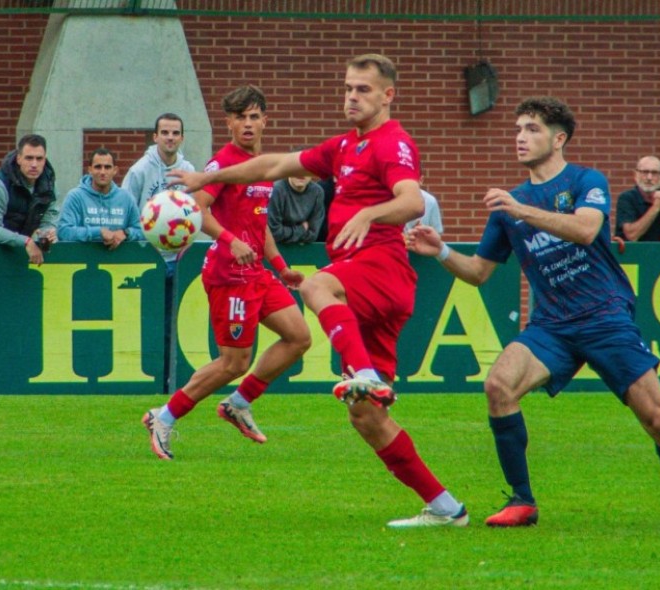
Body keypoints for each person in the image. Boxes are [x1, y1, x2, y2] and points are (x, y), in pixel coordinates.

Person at [169, 55, 468, 528]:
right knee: (367, 417)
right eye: (348, 87)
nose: (352, 96)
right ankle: (446, 507)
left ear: (388, 95)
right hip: (367, 282)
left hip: (381, 265)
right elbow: (275, 164)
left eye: (364, 90)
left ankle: (364, 372)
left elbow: (412, 200)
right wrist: (210, 178)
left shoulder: (393, 142)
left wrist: (369, 215)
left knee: (316, 285)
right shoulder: (344, 146)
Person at [406, 96, 660, 528]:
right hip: (552, 325)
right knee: (498, 386)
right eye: (517, 129)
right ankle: (522, 502)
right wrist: (439, 250)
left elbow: (588, 229)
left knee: (656, 419)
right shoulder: (508, 207)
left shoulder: (585, 180)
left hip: (606, 317)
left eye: (531, 129)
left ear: (559, 138)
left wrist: (522, 211)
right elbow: (478, 272)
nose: (520, 137)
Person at [142, 85, 311, 461]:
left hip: (257, 274)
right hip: (228, 276)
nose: (247, 125)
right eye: (240, 118)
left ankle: (238, 403)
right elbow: (197, 210)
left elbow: (261, 223)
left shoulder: (263, 166)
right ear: (229, 123)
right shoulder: (223, 164)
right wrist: (230, 240)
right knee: (233, 362)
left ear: (265, 120)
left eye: (254, 117)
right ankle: (164, 416)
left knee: (299, 337)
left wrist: (281, 267)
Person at [123, 113, 197, 393]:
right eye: (164, 132)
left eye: (175, 133)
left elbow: (195, 211)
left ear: (182, 137)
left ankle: (170, 381)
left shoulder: (188, 169)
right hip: (149, 261)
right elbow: (128, 212)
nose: (170, 138)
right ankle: (147, 379)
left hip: (178, 261)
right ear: (155, 137)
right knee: (149, 324)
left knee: (173, 326)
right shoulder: (140, 170)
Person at [0, 134, 59, 265]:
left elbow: (48, 220)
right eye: (29, 158)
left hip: (24, 258)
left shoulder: (49, 186)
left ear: (45, 160)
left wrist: (47, 233)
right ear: (19, 158)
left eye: (39, 159)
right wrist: (26, 241)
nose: (34, 164)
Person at [57, 147, 144, 247]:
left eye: (107, 167)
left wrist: (126, 233)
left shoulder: (127, 198)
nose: (102, 172)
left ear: (115, 170)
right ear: (90, 170)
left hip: (119, 261)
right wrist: (98, 232)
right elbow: (63, 232)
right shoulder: (75, 197)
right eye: (98, 167)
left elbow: (143, 232)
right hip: (83, 259)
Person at [615, 156, 660, 242]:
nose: (649, 177)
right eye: (645, 172)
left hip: (654, 252)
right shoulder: (627, 197)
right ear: (635, 174)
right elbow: (632, 236)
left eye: (654, 173)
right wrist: (656, 208)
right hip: (628, 253)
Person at [267, 170, 325, 244]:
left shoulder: (317, 192)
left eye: (306, 169)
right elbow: (274, 234)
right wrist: (302, 229)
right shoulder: (276, 190)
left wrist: (286, 233)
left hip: (303, 250)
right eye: (296, 168)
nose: (301, 173)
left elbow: (313, 234)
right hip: (277, 248)